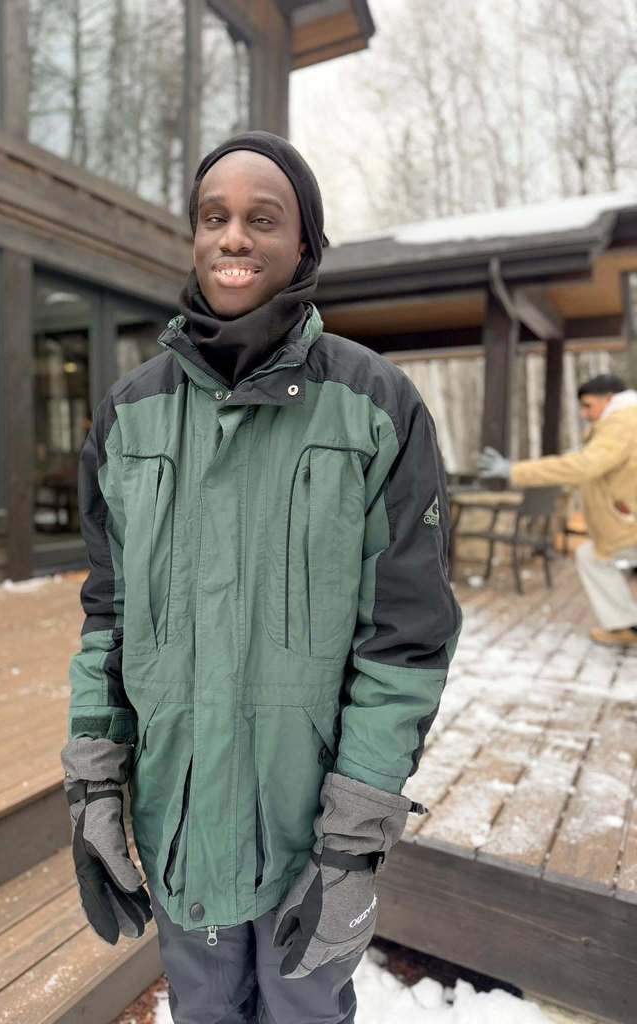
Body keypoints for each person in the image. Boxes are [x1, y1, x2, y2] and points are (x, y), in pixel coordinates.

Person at [60, 131, 462, 1024]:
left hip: (309, 837)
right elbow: (107, 618)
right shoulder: (131, 416)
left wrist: (353, 843)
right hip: (177, 821)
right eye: (214, 217)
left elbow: (406, 641)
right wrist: (94, 780)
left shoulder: (376, 407)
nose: (233, 237)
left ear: (305, 246)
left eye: (261, 219)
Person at [478, 373, 637, 647]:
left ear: (609, 398)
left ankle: (624, 626)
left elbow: (583, 466)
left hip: (629, 523)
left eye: (588, 405)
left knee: (592, 557)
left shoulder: (622, 423)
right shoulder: (619, 423)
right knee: (591, 556)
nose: (585, 414)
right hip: (626, 522)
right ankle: (625, 626)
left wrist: (514, 470)